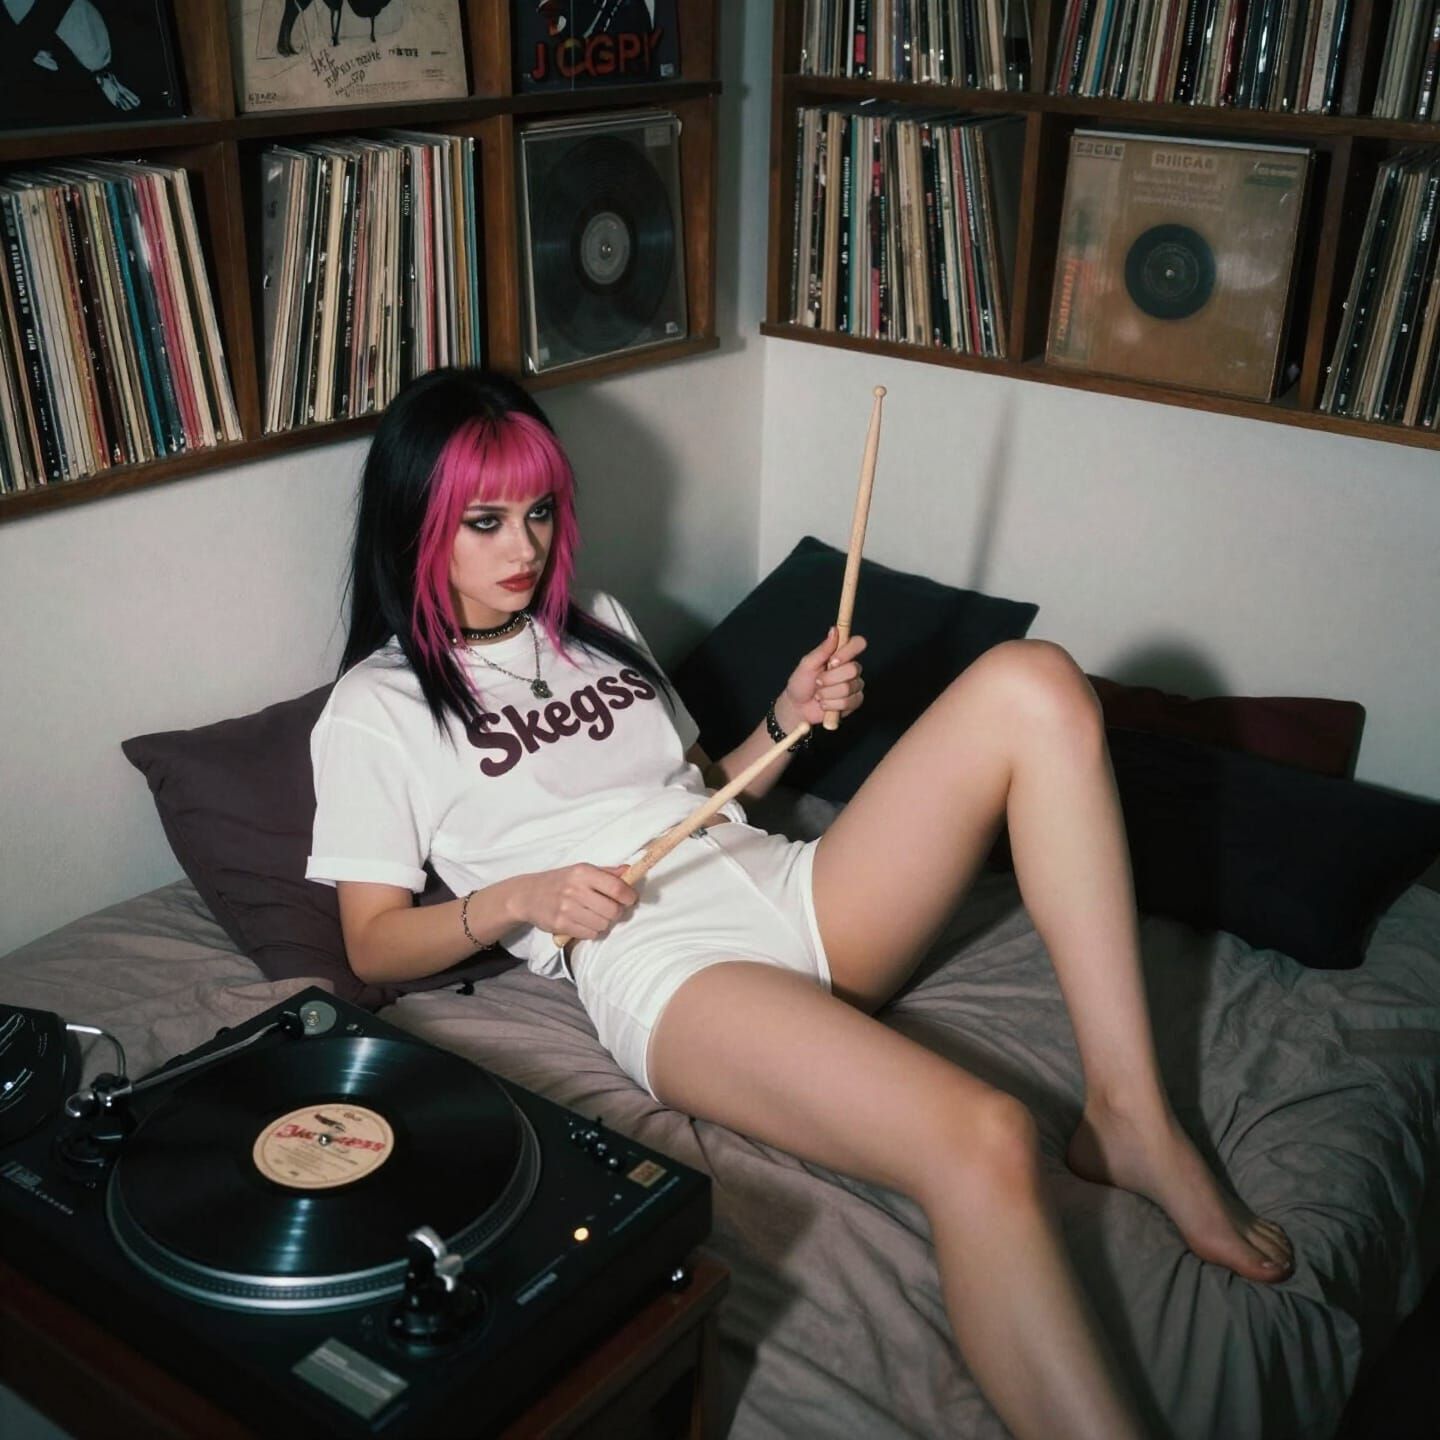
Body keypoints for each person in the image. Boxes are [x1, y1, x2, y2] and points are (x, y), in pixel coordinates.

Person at [308, 367, 1295, 1440]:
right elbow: (373, 945)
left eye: (540, 512)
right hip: (671, 966)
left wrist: (787, 718)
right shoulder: (375, 706)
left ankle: (1130, 1114)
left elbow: (698, 789)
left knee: (1036, 681)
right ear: (419, 520)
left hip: (786, 882)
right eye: (487, 521)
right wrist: (520, 899)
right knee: (987, 1135)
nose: (526, 548)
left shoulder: (599, 625)